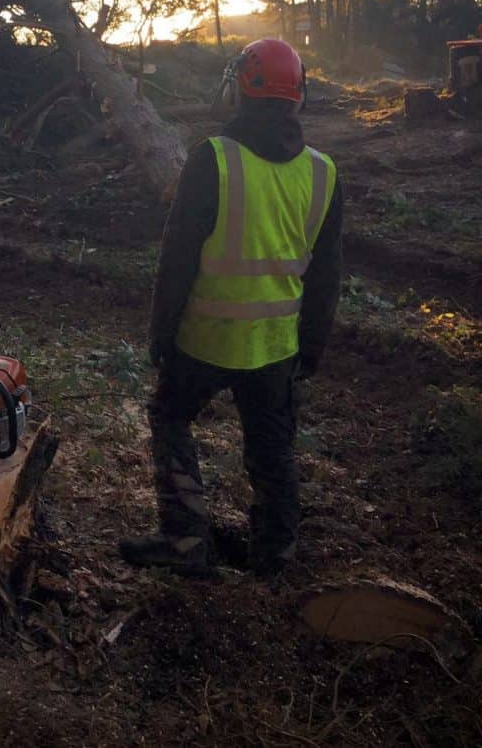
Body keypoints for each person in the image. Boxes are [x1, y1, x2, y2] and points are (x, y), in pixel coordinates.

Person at [120, 38, 343, 578]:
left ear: (241, 90)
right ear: (300, 96)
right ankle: (274, 558)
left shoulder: (213, 158)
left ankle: (185, 539)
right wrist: (311, 346)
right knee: (273, 450)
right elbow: (326, 274)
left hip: (205, 337)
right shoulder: (323, 172)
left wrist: (161, 333)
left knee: (170, 416)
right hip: (276, 346)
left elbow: (177, 258)